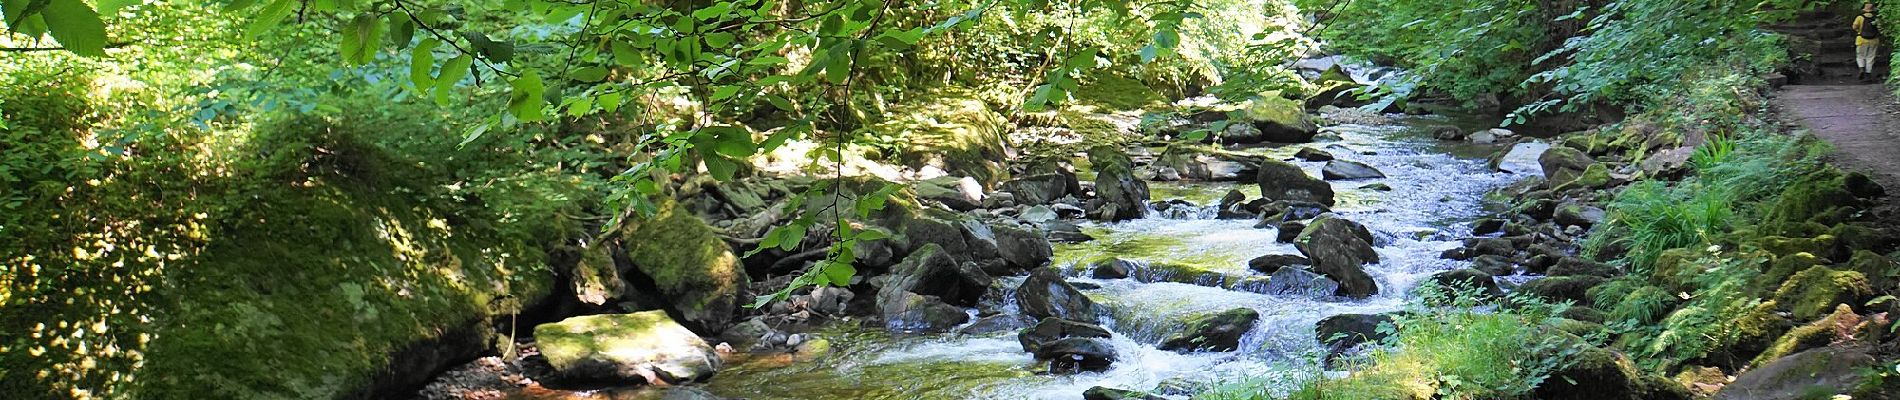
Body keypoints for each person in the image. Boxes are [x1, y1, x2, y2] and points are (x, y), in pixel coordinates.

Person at [1856, 3, 1881, 81]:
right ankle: (1868, 73)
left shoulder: (1860, 17)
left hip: (1861, 40)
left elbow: (1854, 26)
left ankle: (1861, 68)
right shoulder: (1876, 19)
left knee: (1860, 56)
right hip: (1874, 40)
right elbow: (1880, 28)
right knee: (1870, 57)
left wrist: (1858, 30)